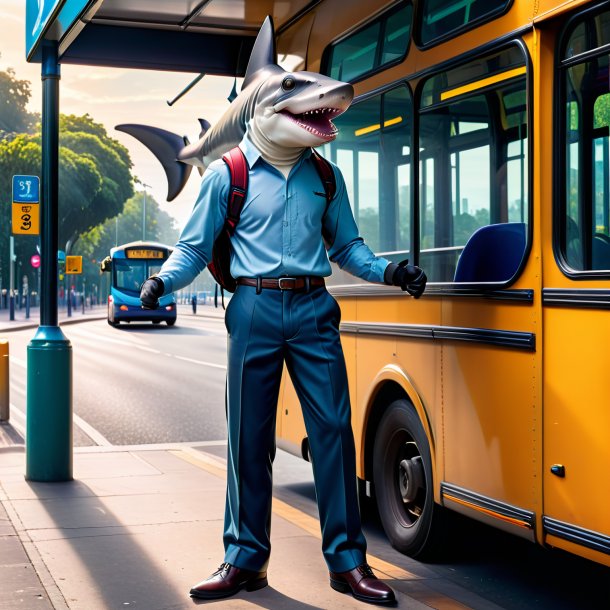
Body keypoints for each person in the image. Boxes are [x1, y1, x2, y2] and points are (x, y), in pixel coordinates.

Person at [140, 29, 425, 608]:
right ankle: (245, 561)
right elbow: (194, 249)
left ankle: (347, 563)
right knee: (249, 441)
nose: (327, 101)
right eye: (295, 92)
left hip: (315, 308)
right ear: (261, 108)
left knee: (334, 438)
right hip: (254, 309)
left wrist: (391, 272)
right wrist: (161, 282)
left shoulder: (326, 177)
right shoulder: (228, 175)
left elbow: (349, 249)